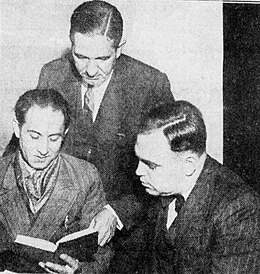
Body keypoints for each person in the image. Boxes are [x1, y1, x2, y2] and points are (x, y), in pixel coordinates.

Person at [34, 0, 174, 271]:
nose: (89, 70)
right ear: (71, 44)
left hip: (129, 237)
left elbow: (167, 169)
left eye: (102, 59)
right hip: (61, 229)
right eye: (81, 56)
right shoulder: (52, 75)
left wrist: (117, 212)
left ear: (119, 49)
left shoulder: (149, 84)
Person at [135, 100, 260, 273]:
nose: (138, 171)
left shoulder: (238, 211)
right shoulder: (163, 187)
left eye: (151, 164)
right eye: (139, 159)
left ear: (189, 164)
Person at [0, 89, 113, 273]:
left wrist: (79, 270)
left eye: (54, 138)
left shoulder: (85, 176)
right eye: (34, 136)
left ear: (65, 133)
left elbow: (101, 255)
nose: (43, 149)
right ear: (17, 128)